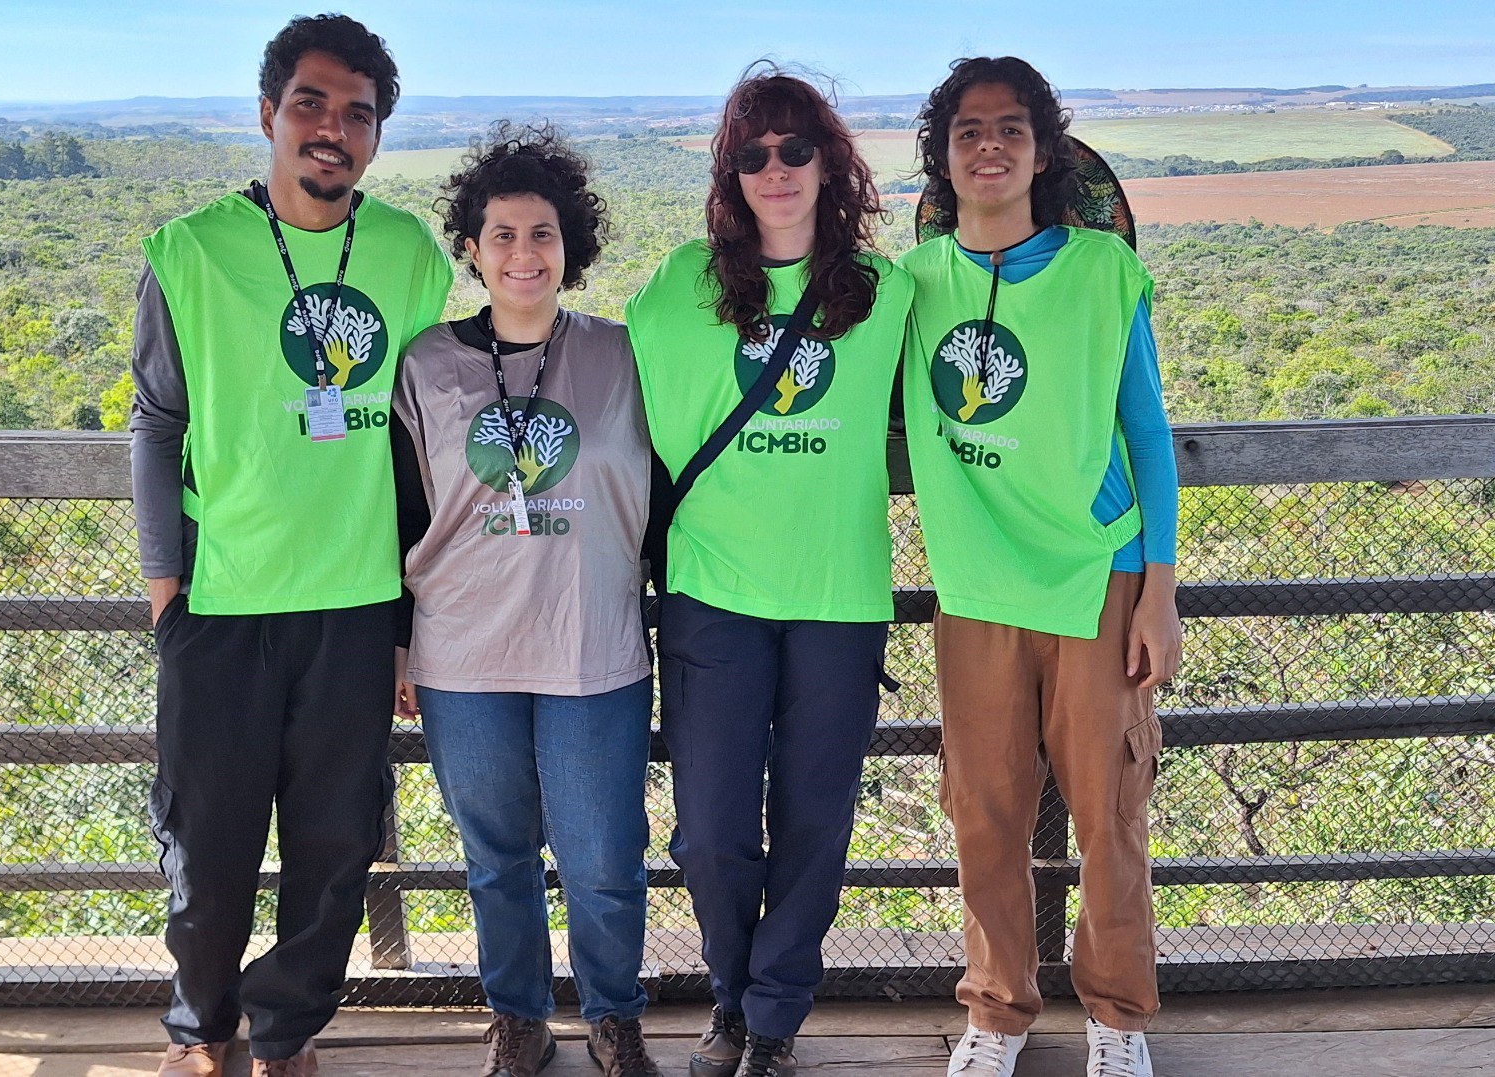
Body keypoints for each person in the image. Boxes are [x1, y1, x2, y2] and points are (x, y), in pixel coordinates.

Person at [129, 14, 452, 1076]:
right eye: (310, 104)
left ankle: (286, 1035)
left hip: (357, 606)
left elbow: (416, 450)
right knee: (205, 848)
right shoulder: (190, 252)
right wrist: (165, 584)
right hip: (220, 605)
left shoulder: (407, 257)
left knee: (333, 852)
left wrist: (407, 622)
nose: (332, 129)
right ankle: (206, 1027)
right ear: (268, 114)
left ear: (376, 137)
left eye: (357, 114)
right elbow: (157, 423)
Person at [625, 67, 913, 1077]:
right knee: (708, 830)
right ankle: (732, 1000)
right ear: (729, 173)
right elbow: (608, 395)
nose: (776, 169)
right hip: (713, 595)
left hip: (837, 599)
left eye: (796, 149)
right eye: (753, 154)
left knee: (811, 821)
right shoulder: (683, 289)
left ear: (829, 160)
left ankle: (773, 1017)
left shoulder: (890, 294)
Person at [900, 56, 1181, 1077]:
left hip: (1095, 580)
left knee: (1110, 810)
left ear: (1044, 151)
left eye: (1011, 129)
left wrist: (1160, 589)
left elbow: (1148, 436)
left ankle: (1117, 1017)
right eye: (968, 130)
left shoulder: (1105, 273)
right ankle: (998, 1011)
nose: (989, 147)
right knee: (985, 810)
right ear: (941, 154)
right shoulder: (910, 286)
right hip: (975, 587)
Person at [390, 122, 660, 1077]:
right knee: (497, 855)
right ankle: (517, 1014)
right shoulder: (424, 366)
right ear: (471, 247)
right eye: (501, 234)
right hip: (464, 653)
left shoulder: (629, 358)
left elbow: (670, 492)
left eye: (541, 233)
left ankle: (613, 1014)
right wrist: (396, 641)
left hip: (594, 642)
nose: (521, 253)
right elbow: (400, 509)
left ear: (570, 247)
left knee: (602, 857)